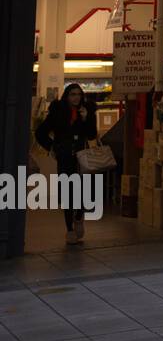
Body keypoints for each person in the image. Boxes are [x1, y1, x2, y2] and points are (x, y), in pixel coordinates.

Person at [35, 83, 98, 244]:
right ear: (67, 96)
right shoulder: (57, 111)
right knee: (68, 194)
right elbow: (40, 132)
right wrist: (51, 147)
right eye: (72, 94)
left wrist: (85, 119)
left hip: (81, 157)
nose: (76, 97)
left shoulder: (87, 111)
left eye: (78, 94)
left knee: (85, 193)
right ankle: (69, 230)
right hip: (64, 158)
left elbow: (91, 135)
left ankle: (79, 217)